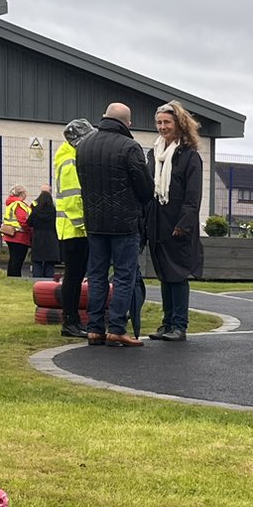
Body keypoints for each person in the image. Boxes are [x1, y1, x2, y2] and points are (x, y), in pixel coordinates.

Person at [76, 103, 153, 347]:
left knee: (96, 275)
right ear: (127, 123)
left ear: (104, 118)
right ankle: (117, 328)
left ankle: (94, 328)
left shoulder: (84, 145)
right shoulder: (130, 147)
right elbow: (145, 188)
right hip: (124, 222)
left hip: (95, 222)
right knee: (123, 275)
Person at [147, 102, 206, 341]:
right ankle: (167, 322)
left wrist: (184, 223)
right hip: (157, 222)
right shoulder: (154, 153)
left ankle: (179, 325)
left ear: (179, 125)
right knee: (164, 274)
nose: (162, 127)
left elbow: (193, 195)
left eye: (167, 123)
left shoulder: (189, 157)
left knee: (178, 274)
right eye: (159, 123)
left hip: (179, 224)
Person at [53, 119, 92, 337]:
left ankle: (73, 320)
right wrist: (84, 224)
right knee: (73, 276)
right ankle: (70, 321)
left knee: (75, 276)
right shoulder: (69, 158)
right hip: (73, 228)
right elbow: (71, 196)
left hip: (72, 227)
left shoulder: (68, 154)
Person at [0, 187, 33, 277]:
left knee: (13, 259)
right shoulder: (19, 205)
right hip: (19, 236)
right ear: (22, 194)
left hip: (10, 235)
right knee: (18, 260)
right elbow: (23, 221)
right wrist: (30, 229)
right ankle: (16, 277)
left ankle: (11, 277)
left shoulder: (11, 203)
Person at [28, 188, 60, 280]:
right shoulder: (54, 212)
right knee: (49, 264)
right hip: (51, 239)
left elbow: (29, 222)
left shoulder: (36, 211)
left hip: (38, 238)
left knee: (37, 262)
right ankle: (49, 282)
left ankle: (36, 281)